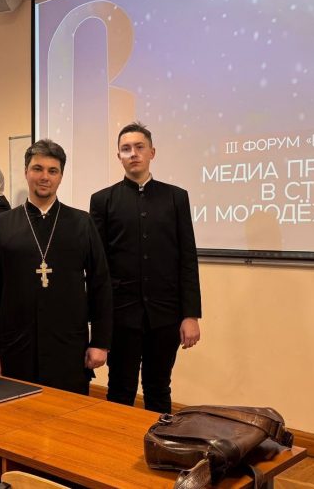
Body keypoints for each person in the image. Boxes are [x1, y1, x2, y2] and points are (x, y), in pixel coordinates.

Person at [0, 139, 112, 395]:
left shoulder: (82, 223)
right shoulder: (0, 225)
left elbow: (101, 284)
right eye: (37, 169)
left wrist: (100, 342)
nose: (44, 177)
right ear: (26, 172)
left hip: (69, 346)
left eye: (53, 171)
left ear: (61, 176)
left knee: (68, 414)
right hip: (15, 346)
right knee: (17, 412)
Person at [89, 121, 201, 413]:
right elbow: (99, 268)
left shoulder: (175, 197)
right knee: (120, 388)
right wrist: (99, 323)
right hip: (121, 314)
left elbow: (187, 258)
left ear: (152, 152)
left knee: (159, 387)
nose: (133, 153)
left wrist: (190, 315)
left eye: (139, 147)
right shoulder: (102, 201)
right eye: (126, 149)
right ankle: (117, 442)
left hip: (165, 314)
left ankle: (160, 441)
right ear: (119, 156)